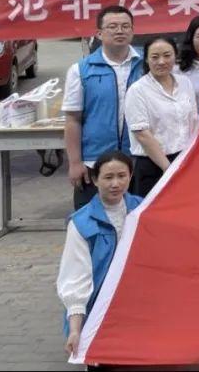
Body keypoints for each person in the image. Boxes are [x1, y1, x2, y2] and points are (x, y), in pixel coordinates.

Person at [57, 150, 143, 357]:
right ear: (95, 180)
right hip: (99, 305)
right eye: (108, 177)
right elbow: (75, 277)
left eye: (122, 176)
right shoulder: (81, 223)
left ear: (130, 177)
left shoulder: (143, 210)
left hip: (137, 301)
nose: (115, 184)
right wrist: (76, 330)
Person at [62, 5, 144, 209]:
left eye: (125, 26)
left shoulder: (147, 64)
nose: (120, 31)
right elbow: (73, 120)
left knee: (137, 220)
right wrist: (75, 162)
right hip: (95, 163)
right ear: (99, 33)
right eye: (112, 27)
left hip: (139, 159)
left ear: (133, 31)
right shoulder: (81, 70)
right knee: (93, 220)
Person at [125, 36, 199, 197]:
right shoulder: (137, 90)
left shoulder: (185, 83)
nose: (161, 61)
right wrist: (168, 168)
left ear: (175, 56)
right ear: (146, 59)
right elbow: (142, 134)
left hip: (184, 160)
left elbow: (193, 120)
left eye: (167, 55)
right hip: (153, 164)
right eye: (155, 57)